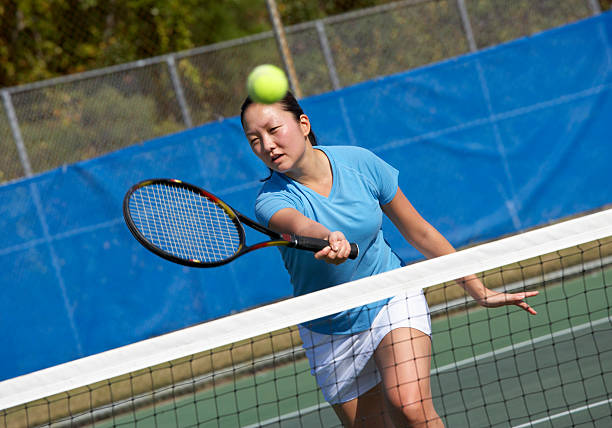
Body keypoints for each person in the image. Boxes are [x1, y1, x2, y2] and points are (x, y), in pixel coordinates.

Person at [240, 92, 538, 428]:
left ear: (303, 124)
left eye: (273, 130)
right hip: (328, 329)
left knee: (408, 405)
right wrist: (328, 236)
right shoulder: (269, 202)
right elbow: (299, 224)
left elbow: (420, 233)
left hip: (390, 297)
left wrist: (478, 290)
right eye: (255, 140)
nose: (267, 145)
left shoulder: (360, 164)